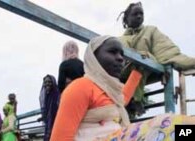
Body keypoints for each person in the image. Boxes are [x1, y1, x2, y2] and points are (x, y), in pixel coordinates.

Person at [50, 36, 195, 141]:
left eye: (121, 54)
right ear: (94, 58)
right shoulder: (79, 88)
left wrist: (139, 71)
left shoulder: (111, 91)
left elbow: (122, 99)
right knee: (169, 125)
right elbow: (60, 138)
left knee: (186, 130)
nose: (120, 58)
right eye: (112, 52)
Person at [118, 2, 195, 118]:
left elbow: (169, 53)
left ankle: (135, 100)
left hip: (143, 68)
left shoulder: (151, 31)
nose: (139, 16)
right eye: (135, 14)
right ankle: (128, 102)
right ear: (127, 19)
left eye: (141, 14)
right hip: (124, 73)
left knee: (143, 57)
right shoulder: (120, 39)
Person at [39, 75, 61, 141]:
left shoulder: (57, 94)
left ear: (53, 82)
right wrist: (42, 117)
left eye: (49, 82)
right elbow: (47, 110)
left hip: (57, 121)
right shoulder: (46, 96)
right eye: (45, 82)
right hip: (49, 123)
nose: (47, 84)